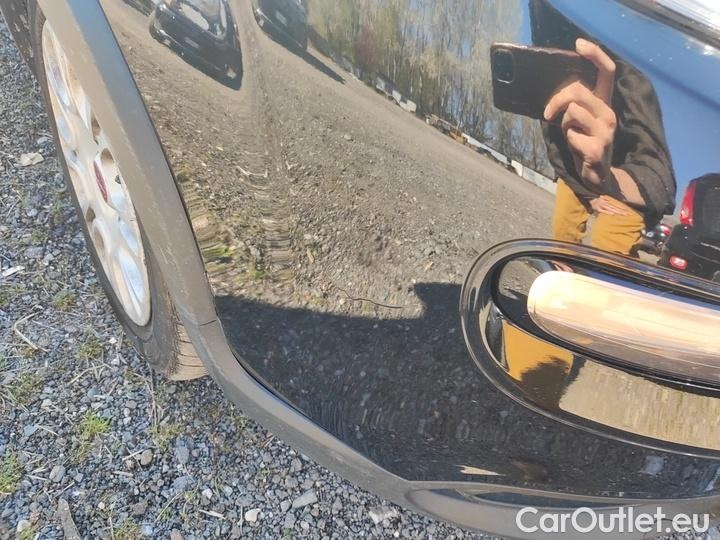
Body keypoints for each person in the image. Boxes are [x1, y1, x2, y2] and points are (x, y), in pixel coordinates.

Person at [530, 0, 676, 255]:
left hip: (624, 182)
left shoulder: (634, 73)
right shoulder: (554, 36)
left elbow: (658, 182)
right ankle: (563, 267)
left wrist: (609, 184)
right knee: (562, 238)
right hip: (574, 171)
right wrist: (590, 192)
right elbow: (554, 139)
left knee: (608, 252)